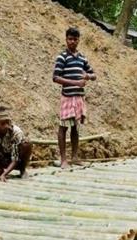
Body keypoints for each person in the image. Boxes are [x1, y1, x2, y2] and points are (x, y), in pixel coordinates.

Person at [53, 27, 97, 169]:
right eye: (70, 39)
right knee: (63, 127)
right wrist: (75, 83)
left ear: (78, 40)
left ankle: (75, 157)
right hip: (67, 97)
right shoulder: (62, 57)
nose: (72, 42)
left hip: (78, 97)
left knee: (75, 128)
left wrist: (87, 76)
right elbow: (55, 77)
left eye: (75, 39)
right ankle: (63, 159)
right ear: (66, 39)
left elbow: (93, 75)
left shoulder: (82, 58)